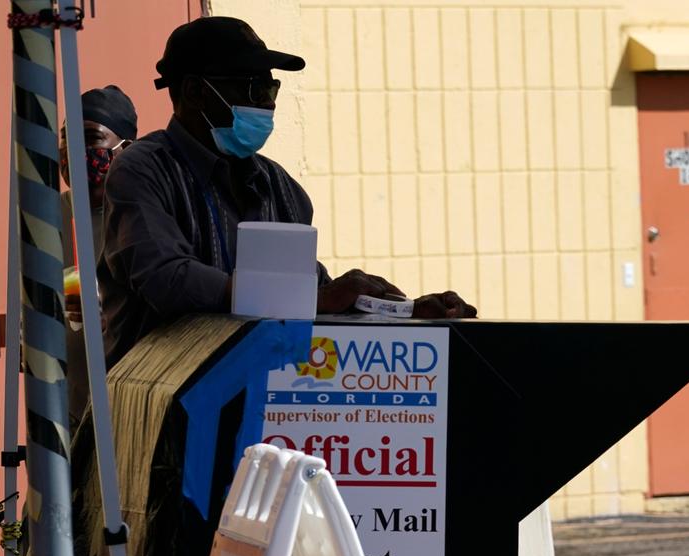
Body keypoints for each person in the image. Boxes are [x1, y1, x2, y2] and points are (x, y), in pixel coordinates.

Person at [98, 16, 475, 367]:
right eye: (254, 86)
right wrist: (306, 298)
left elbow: (315, 293)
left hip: (262, 406)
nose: (269, 101)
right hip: (157, 409)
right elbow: (167, 279)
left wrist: (404, 311)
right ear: (196, 91)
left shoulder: (280, 187)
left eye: (271, 86)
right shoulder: (142, 170)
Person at [59, 85, 138, 427]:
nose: (74, 150)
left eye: (91, 138)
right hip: (64, 409)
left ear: (126, 150)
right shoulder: (45, 215)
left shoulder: (142, 214)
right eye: (65, 139)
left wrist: (114, 306)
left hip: (127, 404)